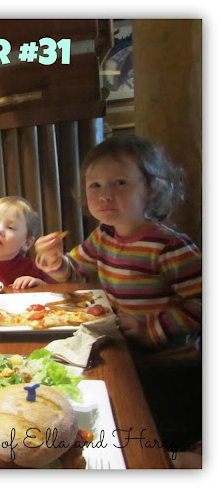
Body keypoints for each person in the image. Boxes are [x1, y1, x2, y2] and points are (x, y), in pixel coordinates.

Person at [34, 135, 202, 450]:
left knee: (157, 442)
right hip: (129, 355)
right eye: (95, 185)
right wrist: (55, 261)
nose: (105, 195)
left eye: (120, 183)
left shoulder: (169, 246)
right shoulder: (104, 235)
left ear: (151, 189)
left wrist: (150, 330)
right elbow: (75, 272)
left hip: (173, 368)